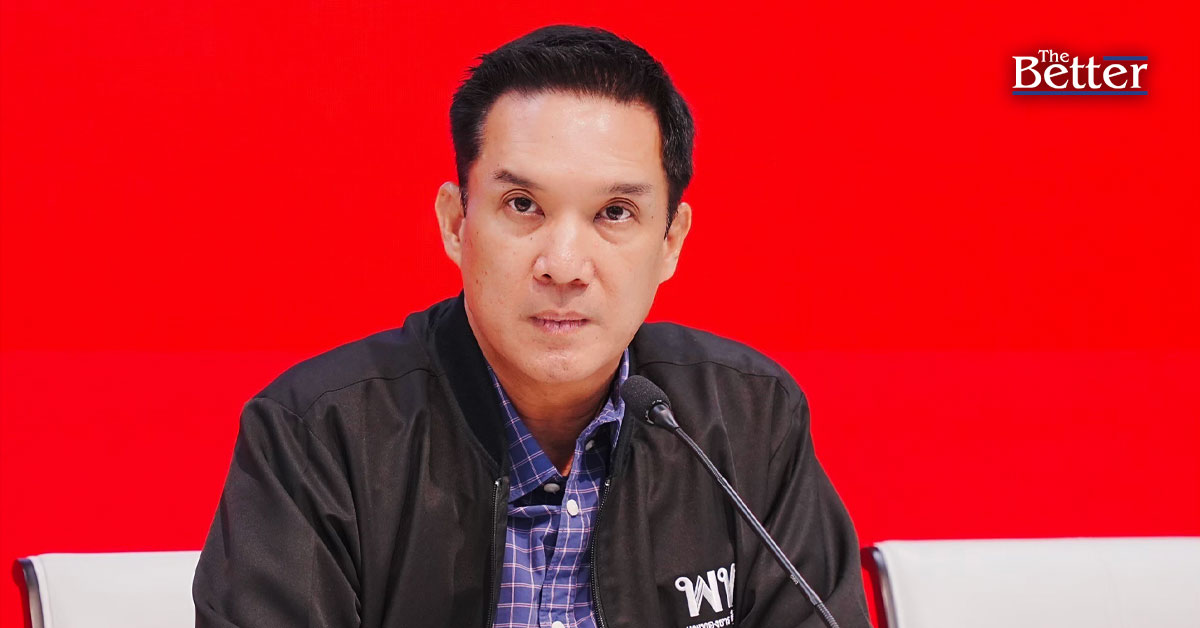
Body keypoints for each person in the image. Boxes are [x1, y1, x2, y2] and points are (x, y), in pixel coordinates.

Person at [193, 25, 872, 628]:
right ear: (456, 223)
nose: (564, 266)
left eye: (614, 213)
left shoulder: (748, 422)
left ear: (671, 241)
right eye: (522, 205)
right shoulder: (320, 437)